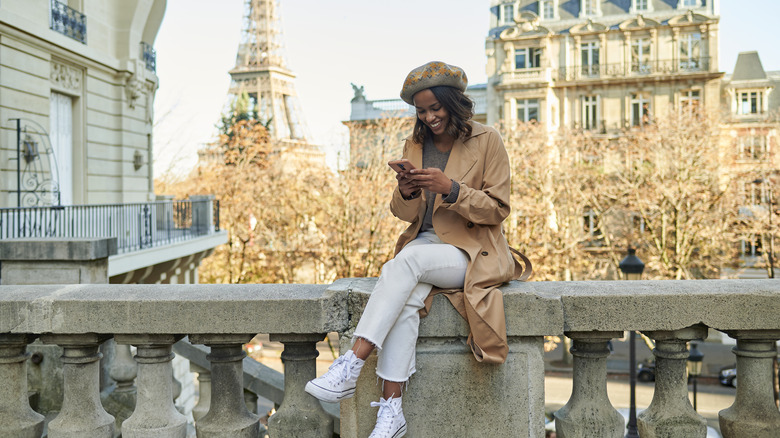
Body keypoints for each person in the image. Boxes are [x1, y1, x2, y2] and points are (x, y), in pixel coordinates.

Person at [305, 61, 528, 438]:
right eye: (422, 111)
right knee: (406, 299)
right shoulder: (416, 144)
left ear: (452, 104)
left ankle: (352, 363)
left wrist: (451, 188)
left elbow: (497, 209)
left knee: (404, 263)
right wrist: (407, 191)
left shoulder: (487, 139)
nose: (428, 117)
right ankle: (392, 413)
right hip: (424, 246)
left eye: (435, 108)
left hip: (471, 250)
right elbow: (403, 214)